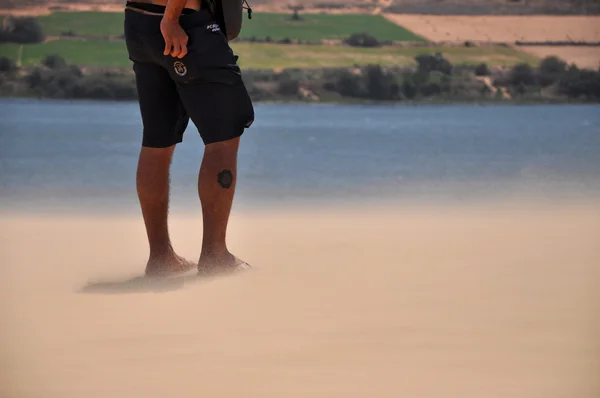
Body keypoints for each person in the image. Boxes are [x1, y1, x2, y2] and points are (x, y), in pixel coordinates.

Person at [123, 0, 255, 276]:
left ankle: (161, 259)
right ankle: (215, 256)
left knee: (156, 141)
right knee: (224, 137)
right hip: (182, 24)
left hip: (138, 21)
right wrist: (171, 18)